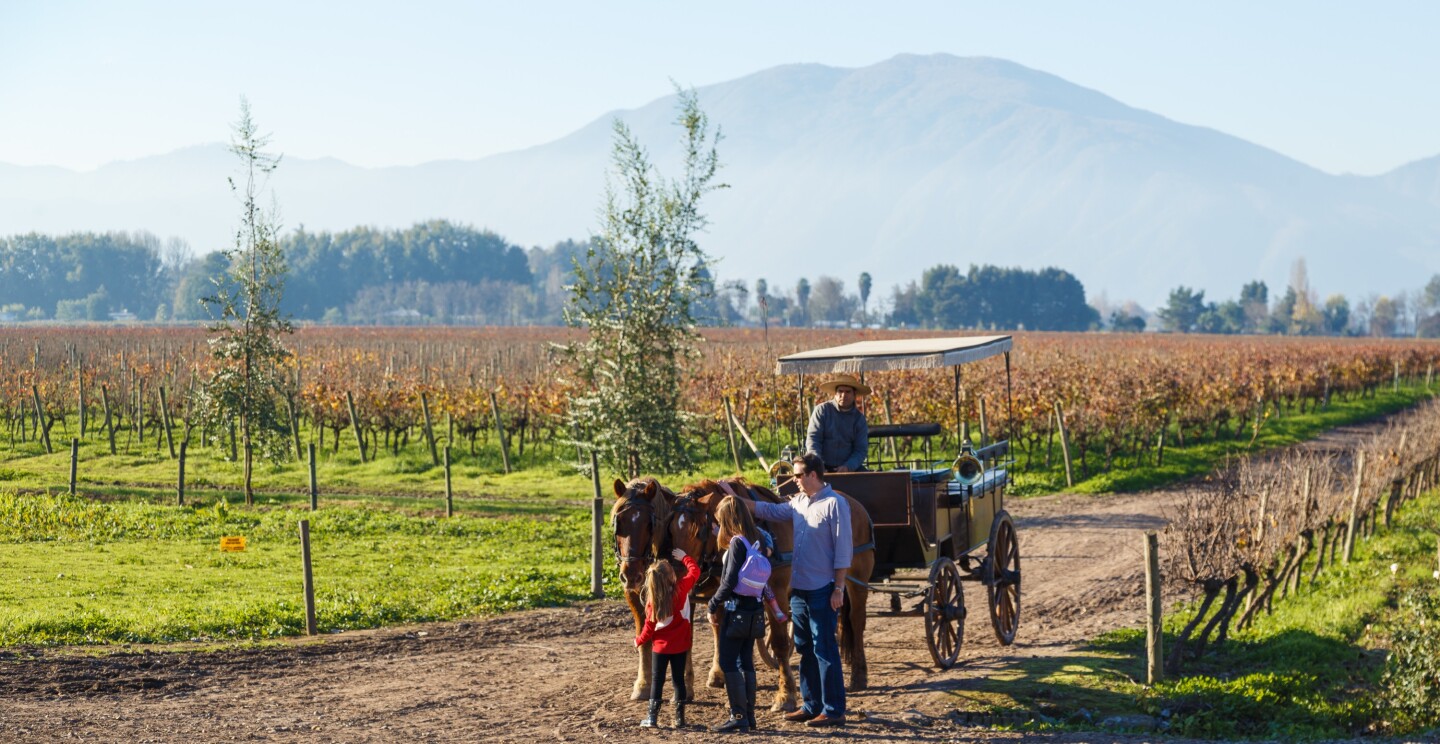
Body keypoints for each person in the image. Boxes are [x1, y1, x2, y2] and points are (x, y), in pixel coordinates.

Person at [746, 453, 852, 727]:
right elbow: (768, 511)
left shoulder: (835, 504)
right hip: (799, 590)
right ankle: (811, 704)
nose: (793, 479)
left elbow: (843, 550)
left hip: (823, 588)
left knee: (824, 648)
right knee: (804, 647)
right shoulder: (799, 503)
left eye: (798, 475)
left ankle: (833, 709)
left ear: (813, 475)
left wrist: (839, 587)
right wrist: (735, 499)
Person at [706, 496, 769, 733]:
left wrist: (713, 604)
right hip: (754, 609)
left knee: (727, 661)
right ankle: (749, 715)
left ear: (728, 519)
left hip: (736, 610)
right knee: (746, 661)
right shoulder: (757, 538)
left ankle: (738, 715)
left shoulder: (736, 543)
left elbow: (730, 580)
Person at [634, 547, 701, 729]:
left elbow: (648, 629)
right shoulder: (680, 591)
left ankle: (652, 717)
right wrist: (685, 557)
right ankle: (679, 719)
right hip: (680, 646)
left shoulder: (651, 603)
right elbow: (695, 571)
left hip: (660, 649)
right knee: (678, 681)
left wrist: (638, 641)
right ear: (672, 577)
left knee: (657, 681)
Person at [804, 373, 870, 473]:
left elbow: (860, 450)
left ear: (854, 395)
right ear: (835, 393)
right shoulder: (822, 411)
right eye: (840, 391)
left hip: (848, 468)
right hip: (821, 466)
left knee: (869, 482)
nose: (843, 395)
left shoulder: (859, 419)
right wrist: (818, 464)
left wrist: (848, 467)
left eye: (848, 392)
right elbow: (813, 439)